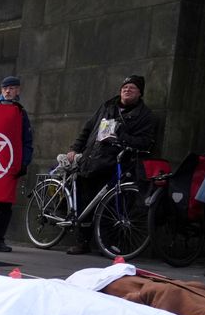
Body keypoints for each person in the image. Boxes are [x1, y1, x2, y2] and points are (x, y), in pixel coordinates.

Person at [63, 75, 156, 255]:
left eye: (132, 88)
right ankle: (82, 242)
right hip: (93, 159)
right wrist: (75, 148)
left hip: (117, 164)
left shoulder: (145, 116)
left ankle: (105, 244)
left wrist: (120, 135)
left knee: (111, 206)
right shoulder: (107, 107)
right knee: (86, 201)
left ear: (140, 93)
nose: (127, 90)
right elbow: (88, 128)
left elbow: (145, 142)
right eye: (124, 87)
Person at [0, 76, 34, 252]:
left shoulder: (20, 112)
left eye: (12, 88)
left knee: (5, 203)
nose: (8, 91)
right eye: (5, 88)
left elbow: (26, 140)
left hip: (10, 163)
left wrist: (24, 162)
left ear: (17, 90)